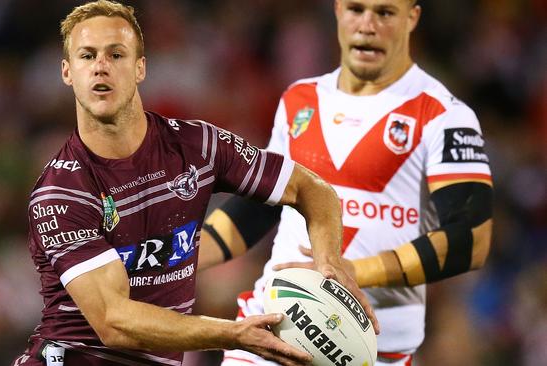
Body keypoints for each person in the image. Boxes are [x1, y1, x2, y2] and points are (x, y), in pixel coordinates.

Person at [11, 1, 379, 366]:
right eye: (87, 56)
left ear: (140, 68)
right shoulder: (61, 192)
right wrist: (235, 335)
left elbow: (310, 188)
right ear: (67, 72)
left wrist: (329, 260)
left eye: (116, 54)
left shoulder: (198, 146)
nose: (101, 67)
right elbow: (113, 322)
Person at [198, 0, 493, 365]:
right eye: (356, 9)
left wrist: (349, 273)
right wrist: (182, 261)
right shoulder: (298, 99)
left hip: (370, 347)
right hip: (276, 326)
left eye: (384, 13)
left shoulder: (445, 115)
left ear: (412, 17)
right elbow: (262, 205)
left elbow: (472, 239)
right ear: (338, 11)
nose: (367, 25)